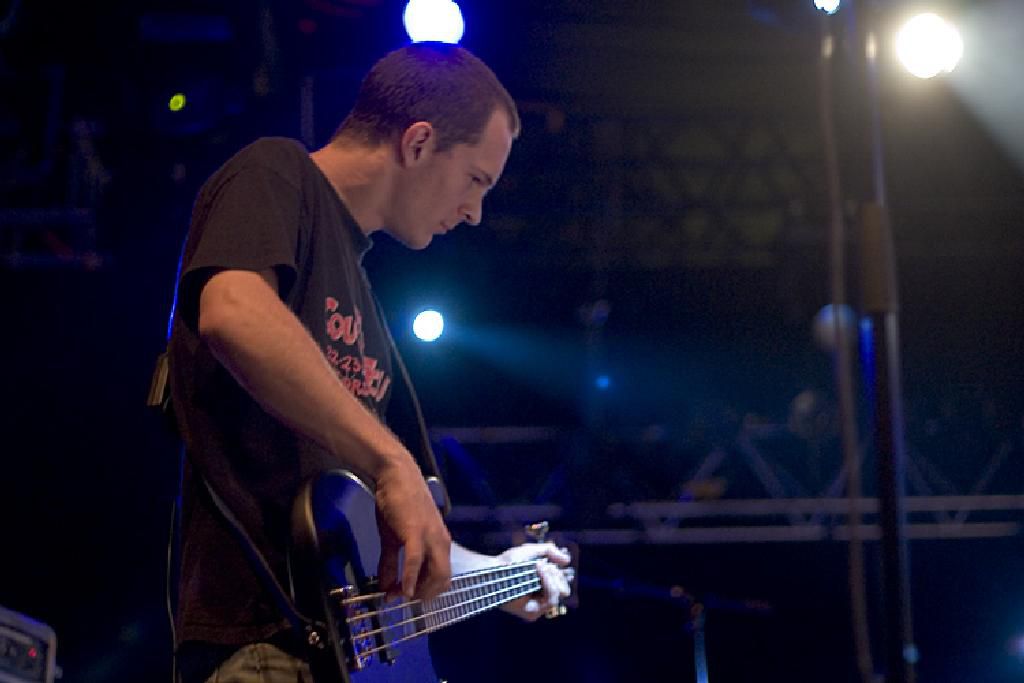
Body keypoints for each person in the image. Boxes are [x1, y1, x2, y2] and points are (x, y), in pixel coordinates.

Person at [167, 43, 571, 683]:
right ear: (418, 142)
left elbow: (379, 537)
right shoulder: (274, 172)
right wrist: (392, 462)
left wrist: (501, 576)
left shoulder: (365, 301)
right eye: (476, 180)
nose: (475, 213)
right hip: (265, 645)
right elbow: (233, 310)